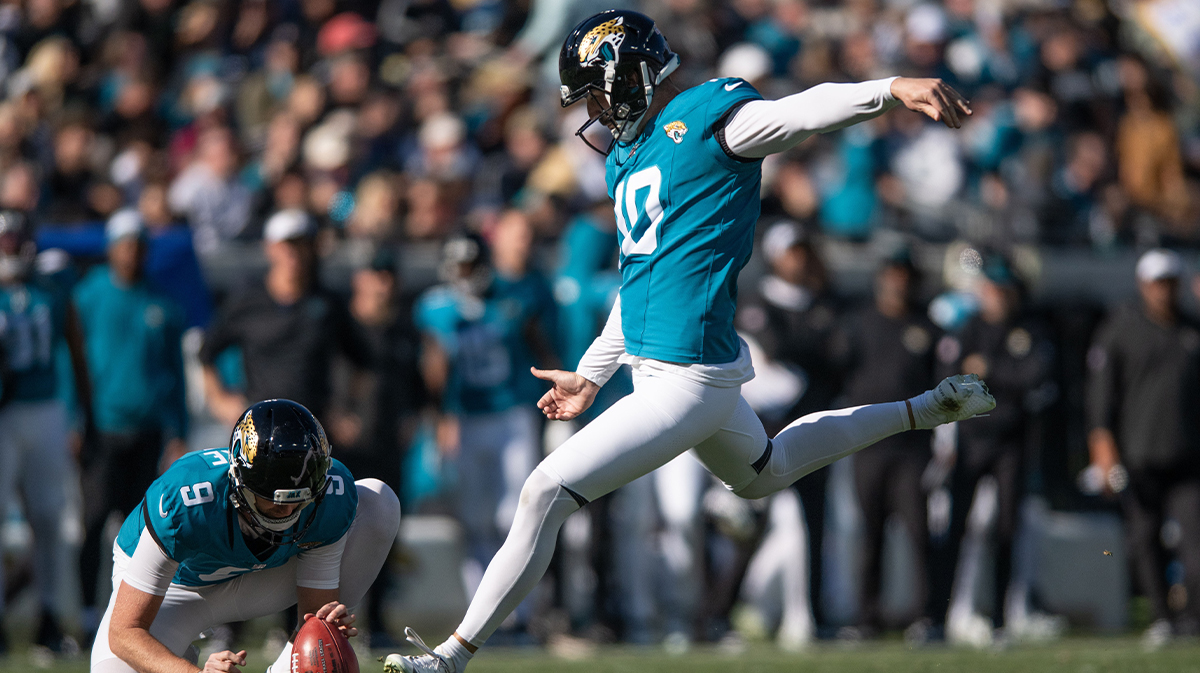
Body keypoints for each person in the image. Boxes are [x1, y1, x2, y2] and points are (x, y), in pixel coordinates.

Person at [385, 11, 992, 672]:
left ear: (629, 78)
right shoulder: (629, 158)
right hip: (674, 368)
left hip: (684, 380)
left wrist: (889, 87)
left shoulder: (708, 120)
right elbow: (639, 284)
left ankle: (448, 658)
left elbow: (798, 113)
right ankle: (926, 408)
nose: (590, 109)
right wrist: (591, 373)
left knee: (543, 492)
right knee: (766, 474)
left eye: (594, 91)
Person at [90, 399, 402, 673]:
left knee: (378, 502)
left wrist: (322, 634)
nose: (287, 507)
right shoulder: (187, 499)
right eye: (274, 495)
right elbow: (125, 631)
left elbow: (312, 616)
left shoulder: (330, 497)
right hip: (177, 590)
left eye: (299, 497)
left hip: (262, 581)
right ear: (240, 478)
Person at [414, 228, 556, 624]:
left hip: (511, 413)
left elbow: (541, 347)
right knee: (475, 518)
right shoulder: (438, 308)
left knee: (517, 513)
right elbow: (433, 370)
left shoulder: (512, 299)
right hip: (468, 418)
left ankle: (523, 612)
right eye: (458, 265)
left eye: (470, 264)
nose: (464, 272)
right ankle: (483, 612)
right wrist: (439, 419)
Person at [73, 209, 189, 645]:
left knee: (140, 533)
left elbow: (174, 374)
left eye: (139, 245)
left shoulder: (162, 303)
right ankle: (87, 616)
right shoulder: (89, 296)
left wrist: (177, 430)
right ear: (110, 249)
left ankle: (127, 620)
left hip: (147, 431)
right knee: (92, 521)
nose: (132, 253)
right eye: (125, 244)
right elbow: (74, 363)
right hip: (102, 430)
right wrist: (74, 419)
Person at [934, 255, 1056, 645]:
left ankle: (1003, 618)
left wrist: (990, 370)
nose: (998, 298)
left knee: (1007, 530)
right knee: (956, 530)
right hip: (970, 440)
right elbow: (951, 381)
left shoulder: (1029, 330)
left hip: (1010, 443)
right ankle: (942, 615)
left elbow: (1032, 377)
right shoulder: (969, 328)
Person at [1086, 249, 1200, 648]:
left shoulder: (1192, 328)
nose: (1163, 291)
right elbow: (1101, 397)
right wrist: (1103, 449)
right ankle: (1162, 618)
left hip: (1189, 458)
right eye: (1156, 283)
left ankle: (1193, 621)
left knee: (1194, 545)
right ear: (1142, 285)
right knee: (1145, 540)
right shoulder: (1121, 329)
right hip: (1138, 455)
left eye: (1169, 282)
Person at [0, 209, 92, 653]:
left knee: (50, 518)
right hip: (3, 413)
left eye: (15, 239)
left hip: (45, 409)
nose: (11, 249)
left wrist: (86, 414)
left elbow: (75, 349)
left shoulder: (50, 290)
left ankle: (50, 617)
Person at [835, 252, 940, 639]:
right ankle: (868, 616)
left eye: (904, 276)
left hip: (912, 446)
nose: (898, 283)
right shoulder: (860, 322)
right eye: (892, 275)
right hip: (868, 443)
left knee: (918, 531)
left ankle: (926, 615)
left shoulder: (926, 325)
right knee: (870, 531)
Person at [199, 208, 371, 426]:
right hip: (259, 426)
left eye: (301, 245)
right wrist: (219, 401)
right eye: (286, 245)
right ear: (270, 248)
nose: (294, 254)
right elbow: (206, 352)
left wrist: (347, 410)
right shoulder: (247, 302)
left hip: (313, 426)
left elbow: (362, 360)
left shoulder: (328, 304)